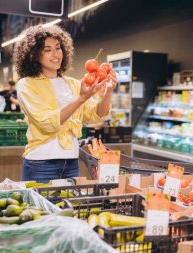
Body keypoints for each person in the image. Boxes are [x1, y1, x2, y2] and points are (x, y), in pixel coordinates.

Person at [13, 25, 116, 183]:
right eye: (47, 50)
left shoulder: (73, 84)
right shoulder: (27, 85)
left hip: (71, 163)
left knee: (69, 208)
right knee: (42, 208)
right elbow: (47, 123)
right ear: (33, 55)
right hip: (41, 164)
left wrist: (108, 91)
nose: (56, 54)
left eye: (58, 48)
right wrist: (81, 99)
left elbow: (96, 115)